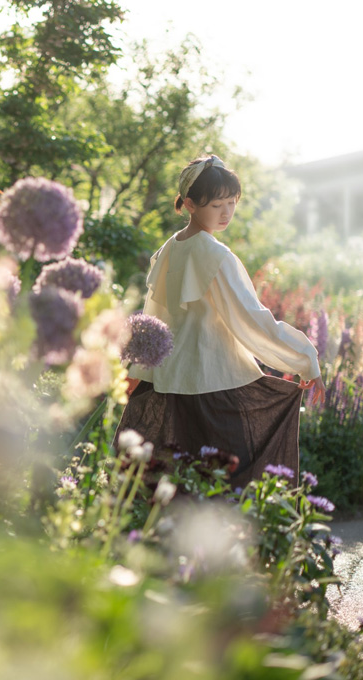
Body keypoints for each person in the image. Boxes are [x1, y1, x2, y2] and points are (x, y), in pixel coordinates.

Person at [116, 155, 325, 485]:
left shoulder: (168, 249)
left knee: (171, 484)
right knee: (224, 484)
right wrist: (305, 359)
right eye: (216, 204)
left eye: (231, 202)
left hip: (170, 387)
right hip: (214, 387)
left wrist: (138, 376)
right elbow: (253, 321)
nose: (226, 213)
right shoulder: (215, 256)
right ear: (189, 204)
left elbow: (153, 322)